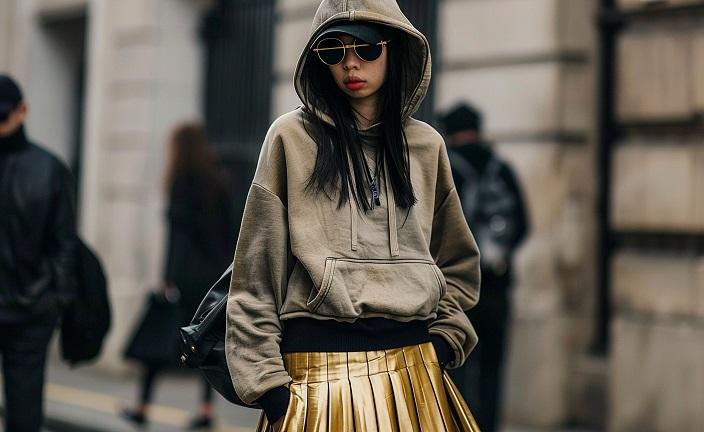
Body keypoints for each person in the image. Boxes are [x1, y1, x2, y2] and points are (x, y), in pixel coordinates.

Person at [225, 1, 482, 431]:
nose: (350, 64)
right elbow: (254, 281)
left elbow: (457, 261)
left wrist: (444, 341)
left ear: (393, 49)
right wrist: (270, 390)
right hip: (316, 378)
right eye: (333, 51)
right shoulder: (290, 138)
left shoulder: (426, 146)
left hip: (418, 375)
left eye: (366, 49)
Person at [121, 122, 234, 429]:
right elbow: (230, 232)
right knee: (205, 341)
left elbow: (178, 236)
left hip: (184, 275)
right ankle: (206, 410)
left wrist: (167, 276)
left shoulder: (181, 181)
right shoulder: (220, 180)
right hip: (213, 276)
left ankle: (142, 406)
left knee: (157, 340)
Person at [440, 103, 529, 432]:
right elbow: (524, 225)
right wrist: (498, 255)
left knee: (456, 365)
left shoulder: (447, 169)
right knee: (492, 367)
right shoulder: (501, 168)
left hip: (457, 292)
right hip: (497, 285)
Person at [0, 74, 77, 431]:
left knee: (24, 413)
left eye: (3, 116)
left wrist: (55, 300)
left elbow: (64, 243)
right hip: (31, 304)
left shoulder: (49, 168)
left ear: (22, 111)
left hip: (30, 311)